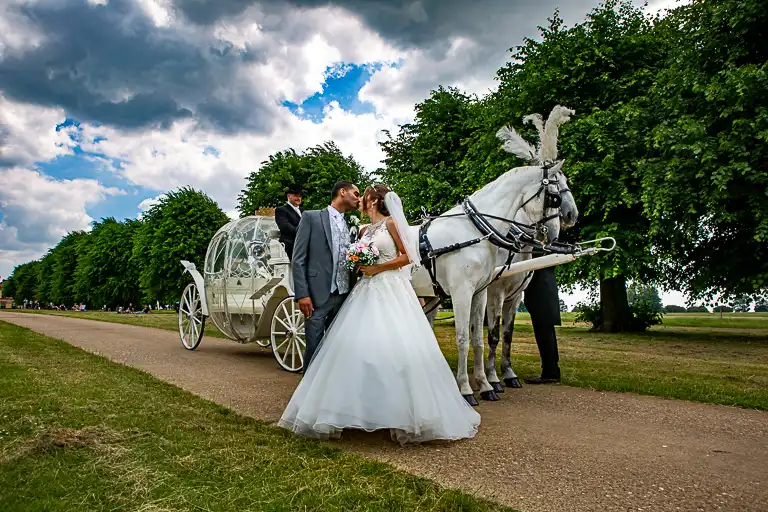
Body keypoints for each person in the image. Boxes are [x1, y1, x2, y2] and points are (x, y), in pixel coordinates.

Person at [279, 184, 480, 446]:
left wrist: (379, 268)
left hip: (390, 288)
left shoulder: (392, 224)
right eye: (356, 193)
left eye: (364, 196)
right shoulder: (363, 230)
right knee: (354, 350)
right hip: (362, 291)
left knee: (394, 347)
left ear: (374, 201)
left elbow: (408, 256)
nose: (360, 198)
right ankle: (348, 408)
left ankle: (402, 413)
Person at [291, 180, 361, 369]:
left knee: (337, 349)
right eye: (356, 193)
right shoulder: (311, 217)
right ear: (343, 192)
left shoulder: (352, 225)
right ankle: (307, 394)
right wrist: (302, 294)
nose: (359, 199)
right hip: (316, 295)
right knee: (313, 346)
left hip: (344, 296)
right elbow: (298, 259)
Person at [522, 265, 562, 384]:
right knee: (545, 334)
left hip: (542, 297)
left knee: (544, 335)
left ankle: (550, 372)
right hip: (543, 295)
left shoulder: (542, 268)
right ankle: (550, 371)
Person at [275, 184, 305, 260]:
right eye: (296, 195)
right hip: (290, 244)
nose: (298, 198)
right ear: (289, 196)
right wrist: (301, 232)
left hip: (303, 244)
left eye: (300, 196)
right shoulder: (281, 210)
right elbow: (284, 226)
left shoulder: (303, 211)